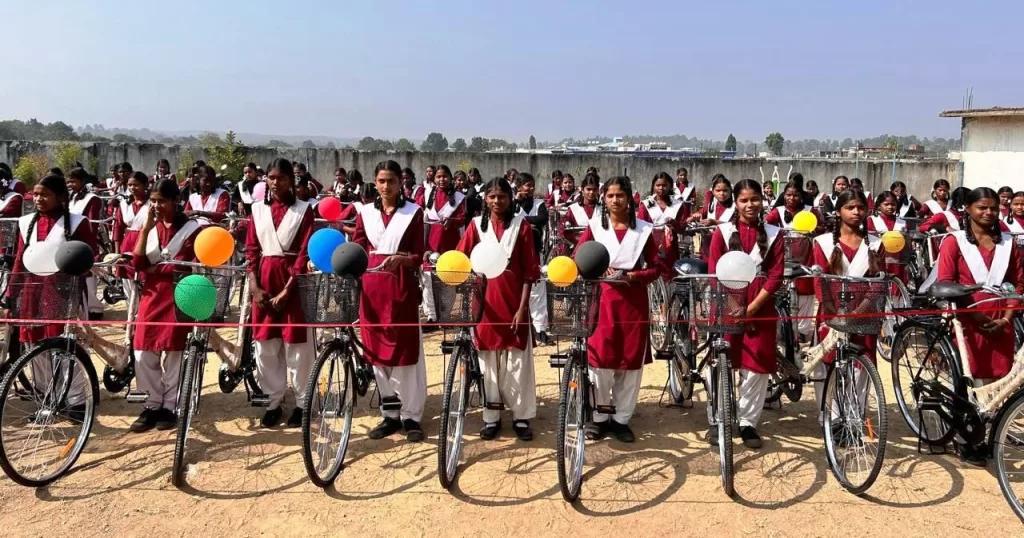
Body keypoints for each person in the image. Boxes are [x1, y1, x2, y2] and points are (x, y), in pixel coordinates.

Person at [935, 187, 1023, 464]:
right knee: (970, 378)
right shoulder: (954, 242)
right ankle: (966, 438)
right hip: (966, 319)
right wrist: (976, 317)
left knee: (1000, 377)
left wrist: (1006, 318)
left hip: (1002, 318)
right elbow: (947, 281)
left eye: (993, 208)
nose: (988, 212)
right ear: (968, 209)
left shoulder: (1009, 244)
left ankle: (992, 431)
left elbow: (1018, 283)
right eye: (982, 207)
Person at [576, 176, 661, 443]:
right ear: (604, 198)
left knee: (630, 361)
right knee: (600, 360)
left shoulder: (644, 230)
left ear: (629, 198)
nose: (615, 200)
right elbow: (578, 258)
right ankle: (599, 417)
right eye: (610, 195)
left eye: (620, 195)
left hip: (633, 302)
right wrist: (595, 268)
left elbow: (656, 268)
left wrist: (632, 276)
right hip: (602, 301)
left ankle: (622, 419)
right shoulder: (595, 228)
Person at [456, 177, 539, 441]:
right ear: (485, 199)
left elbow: (529, 272)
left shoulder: (521, 227)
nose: (496, 201)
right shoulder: (475, 227)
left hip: (513, 303)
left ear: (510, 198)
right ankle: (491, 417)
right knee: (487, 364)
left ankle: (521, 416)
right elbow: (460, 259)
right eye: (491, 196)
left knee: (517, 364)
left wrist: (522, 308)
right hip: (484, 305)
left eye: (502, 196)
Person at [10, 175, 98, 420]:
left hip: (64, 291)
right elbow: (19, 260)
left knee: (67, 345)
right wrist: (11, 294)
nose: (38, 199)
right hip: (32, 292)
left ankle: (77, 401)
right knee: (35, 346)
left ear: (60, 197)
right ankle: (47, 397)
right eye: (36, 194)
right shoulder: (25, 223)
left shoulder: (77, 223)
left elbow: (89, 256)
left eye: (45, 195)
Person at [351, 160, 426, 442]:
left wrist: (403, 259)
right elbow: (358, 246)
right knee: (377, 351)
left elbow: (418, 254)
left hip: (400, 286)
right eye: (381, 181)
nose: (386, 186)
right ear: (375, 182)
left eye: (391, 181)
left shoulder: (413, 212)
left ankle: (411, 415)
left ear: (400, 183)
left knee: (404, 351)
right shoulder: (365, 213)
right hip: (371, 287)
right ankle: (390, 414)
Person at [705, 179, 784, 449]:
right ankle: (718, 418)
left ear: (762, 201)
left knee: (755, 367)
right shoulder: (723, 232)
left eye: (755, 199)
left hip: (761, 306)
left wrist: (751, 309)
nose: (750, 205)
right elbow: (714, 273)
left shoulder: (774, 234)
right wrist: (733, 305)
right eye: (744, 200)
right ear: (736, 203)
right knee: (721, 362)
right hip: (727, 303)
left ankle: (748, 422)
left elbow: (775, 275)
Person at [127, 179, 203, 432]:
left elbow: (183, 265)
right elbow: (137, 263)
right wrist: (146, 228)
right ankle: (151, 404)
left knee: (174, 352)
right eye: (153, 201)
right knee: (143, 350)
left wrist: (154, 268)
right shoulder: (149, 227)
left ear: (175, 201)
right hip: (151, 296)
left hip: (180, 294)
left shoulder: (192, 229)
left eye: (161, 201)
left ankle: (170, 406)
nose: (156, 206)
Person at [244, 158, 315, 428]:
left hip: (292, 283)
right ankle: (273, 402)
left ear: (290, 180)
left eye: (281, 178)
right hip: (263, 282)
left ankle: (303, 403)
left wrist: (288, 288)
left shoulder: (304, 210)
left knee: (297, 347)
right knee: (266, 346)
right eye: (271, 178)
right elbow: (251, 249)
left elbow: (305, 252)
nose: (275, 183)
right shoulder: (257, 210)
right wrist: (254, 286)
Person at [810, 189, 883, 424]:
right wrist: (834, 313)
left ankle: (853, 418)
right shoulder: (822, 243)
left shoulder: (876, 244)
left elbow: (878, 283)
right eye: (850, 207)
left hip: (865, 314)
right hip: (831, 312)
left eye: (860, 207)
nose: (856, 212)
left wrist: (859, 312)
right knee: (829, 362)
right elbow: (819, 281)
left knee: (861, 365)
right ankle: (830, 417)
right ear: (838, 211)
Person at [765, 181, 821, 340]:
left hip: (805, 255)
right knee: (782, 291)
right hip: (784, 255)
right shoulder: (778, 211)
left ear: (801, 196)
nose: (792, 198)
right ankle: (784, 327)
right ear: (784, 195)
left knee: (806, 288)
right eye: (788, 195)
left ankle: (802, 330)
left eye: (795, 195)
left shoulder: (810, 211)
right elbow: (766, 225)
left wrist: (813, 230)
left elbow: (823, 227)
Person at [417, 165, 466, 331]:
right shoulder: (427, 194)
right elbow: (421, 218)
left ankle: (445, 316)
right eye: (438, 176)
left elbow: (462, 219)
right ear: (434, 178)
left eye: (445, 176)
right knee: (427, 279)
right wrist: (423, 246)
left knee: (447, 279)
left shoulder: (459, 198)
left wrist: (452, 222)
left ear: (450, 178)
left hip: (450, 243)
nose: (441, 179)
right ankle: (431, 316)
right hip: (430, 244)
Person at [513, 174, 550, 346]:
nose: (531, 189)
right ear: (519, 187)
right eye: (527, 185)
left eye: (532, 185)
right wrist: (517, 204)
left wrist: (521, 221)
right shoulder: (512, 204)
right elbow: (508, 220)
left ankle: (540, 329)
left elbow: (542, 219)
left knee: (538, 290)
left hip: (535, 252)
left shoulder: (539, 204)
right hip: (514, 254)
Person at [66, 168, 105, 320]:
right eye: (68, 181)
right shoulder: (71, 197)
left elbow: (92, 224)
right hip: (71, 240)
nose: (70, 184)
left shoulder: (92, 199)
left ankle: (93, 307)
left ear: (82, 181)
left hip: (85, 240)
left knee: (88, 273)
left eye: (73, 181)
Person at [113, 172, 151, 304]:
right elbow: (118, 228)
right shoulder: (124, 204)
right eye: (130, 185)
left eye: (136, 185)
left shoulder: (152, 203)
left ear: (145, 185)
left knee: (145, 279)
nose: (132, 188)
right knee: (127, 282)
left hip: (146, 244)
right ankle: (132, 311)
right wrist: (117, 253)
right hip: (127, 245)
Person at [637, 172, 687, 271]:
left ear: (670, 186)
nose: (661, 188)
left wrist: (673, 223)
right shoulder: (646, 205)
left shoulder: (677, 205)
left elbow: (682, 229)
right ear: (653, 186)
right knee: (653, 273)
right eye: (658, 185)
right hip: (651, 248)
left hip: (671, 250)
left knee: (670, 274)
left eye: (664, 185)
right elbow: (640, 228)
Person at [868, 191, 909, 283]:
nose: (890, 207)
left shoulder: (902, 223)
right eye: (886, 204)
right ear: (879, 206)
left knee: (897, 282)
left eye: (893, 204)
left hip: (898, 261)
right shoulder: (872, 220)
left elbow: (907, 240)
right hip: (879, 259)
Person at [562, 174, 600, 245]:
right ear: (582, 190)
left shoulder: (603, 209)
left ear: (598, 190)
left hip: (599, 246)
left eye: (594, 189)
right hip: (578, 246)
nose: (591, 192)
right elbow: (565, 232)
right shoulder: (573, 209)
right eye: (588, 189)